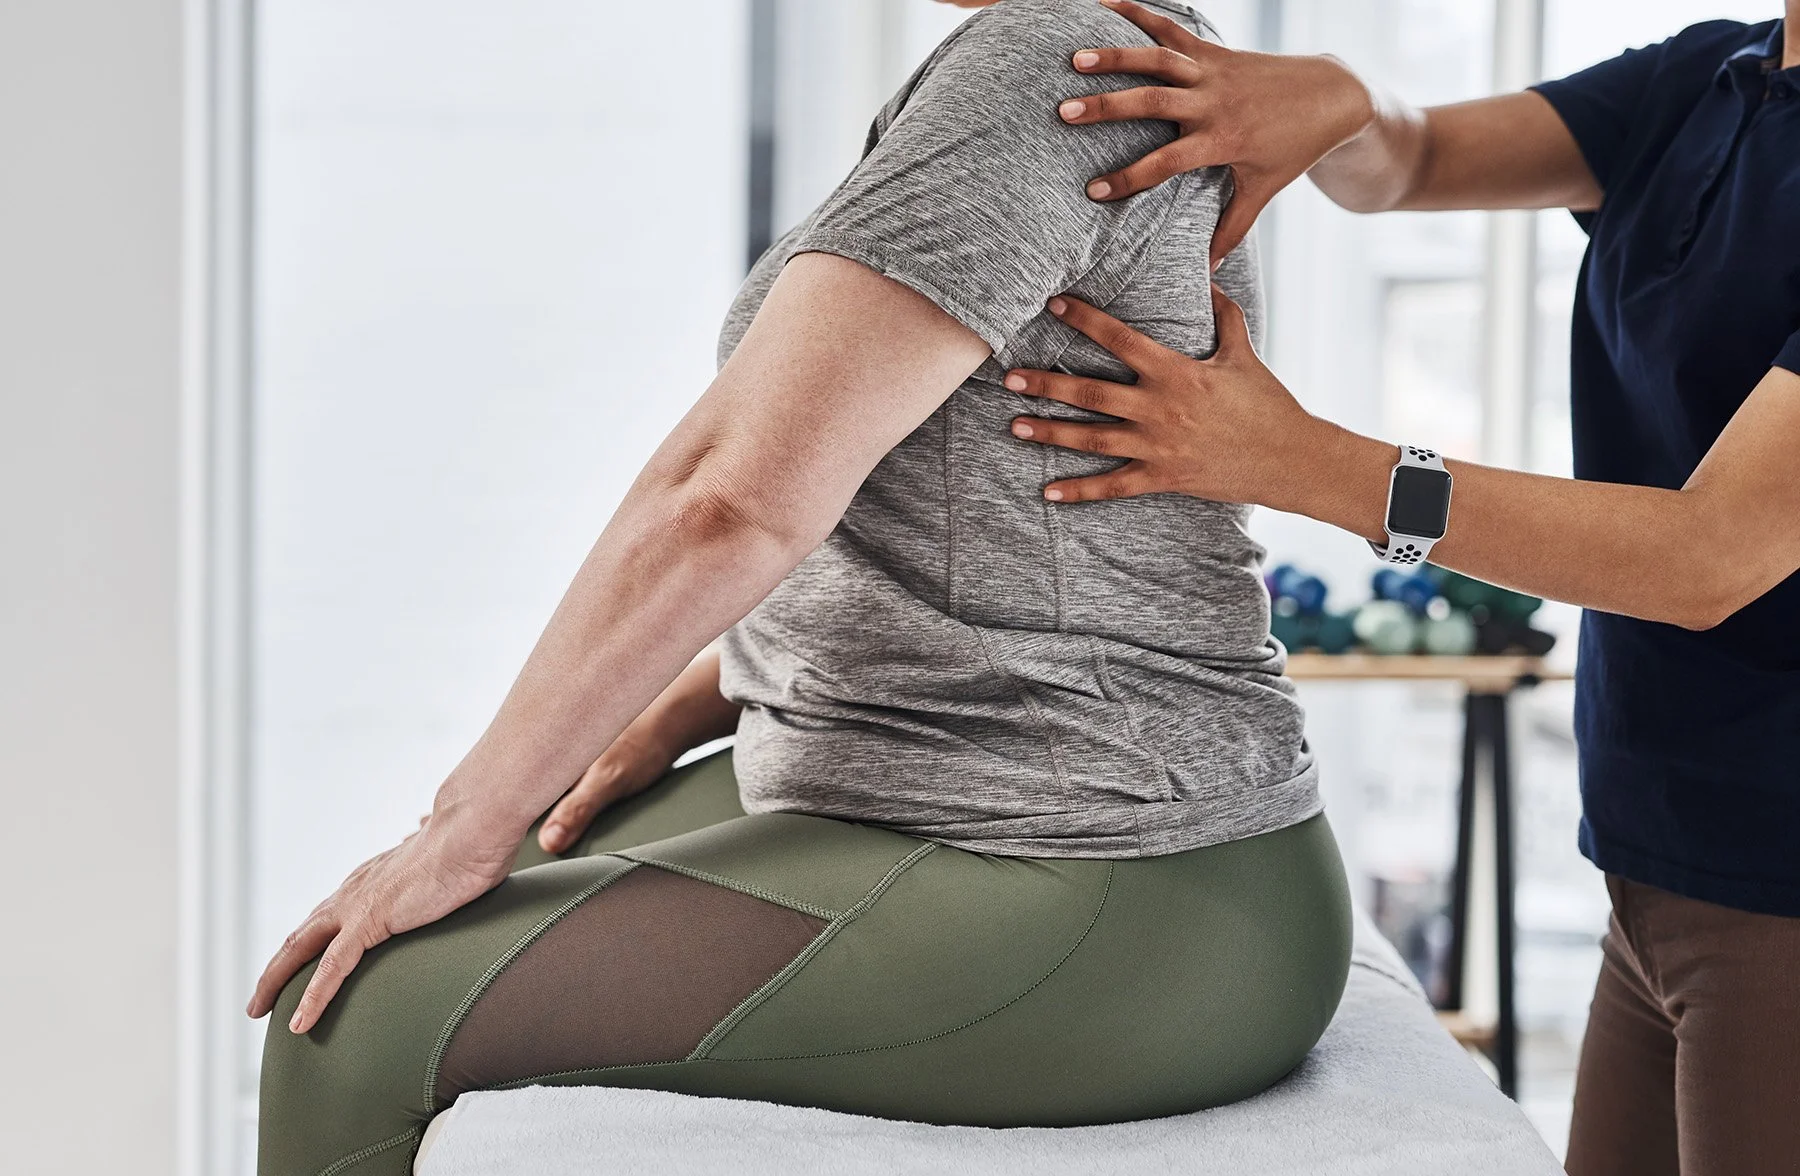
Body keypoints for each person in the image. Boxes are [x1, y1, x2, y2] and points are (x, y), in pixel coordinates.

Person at [248, 3, 1353, 1173]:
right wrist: (694, 694)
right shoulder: (1088, 52)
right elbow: (970, 504)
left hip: (1109, 872)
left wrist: (461, 822)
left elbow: (733, 499)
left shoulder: (1050, 67)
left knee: (358, 1019)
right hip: (969, 787)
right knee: (501, 873)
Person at [1000, 3, 1800, 1173]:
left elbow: (1709, 559)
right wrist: (1340, 103)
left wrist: (1303, 462)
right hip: (1651, 857)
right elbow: (1410, 161)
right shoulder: (1710, 75)